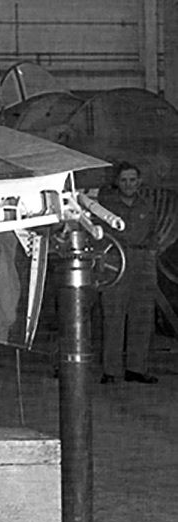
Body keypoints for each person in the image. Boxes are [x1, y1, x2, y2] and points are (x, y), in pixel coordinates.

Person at [99, 162, 159, 384]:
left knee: (142, 316)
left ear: (139, 181)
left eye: (132, 180)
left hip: (144, 262)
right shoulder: (107, 206)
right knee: (113, 316)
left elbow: (154, 231)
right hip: (117, 261)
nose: (128, 185)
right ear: (117, 182)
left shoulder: (147, 204)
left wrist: (152, 252)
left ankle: (136, 368)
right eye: (124, 180)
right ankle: (111, 370)